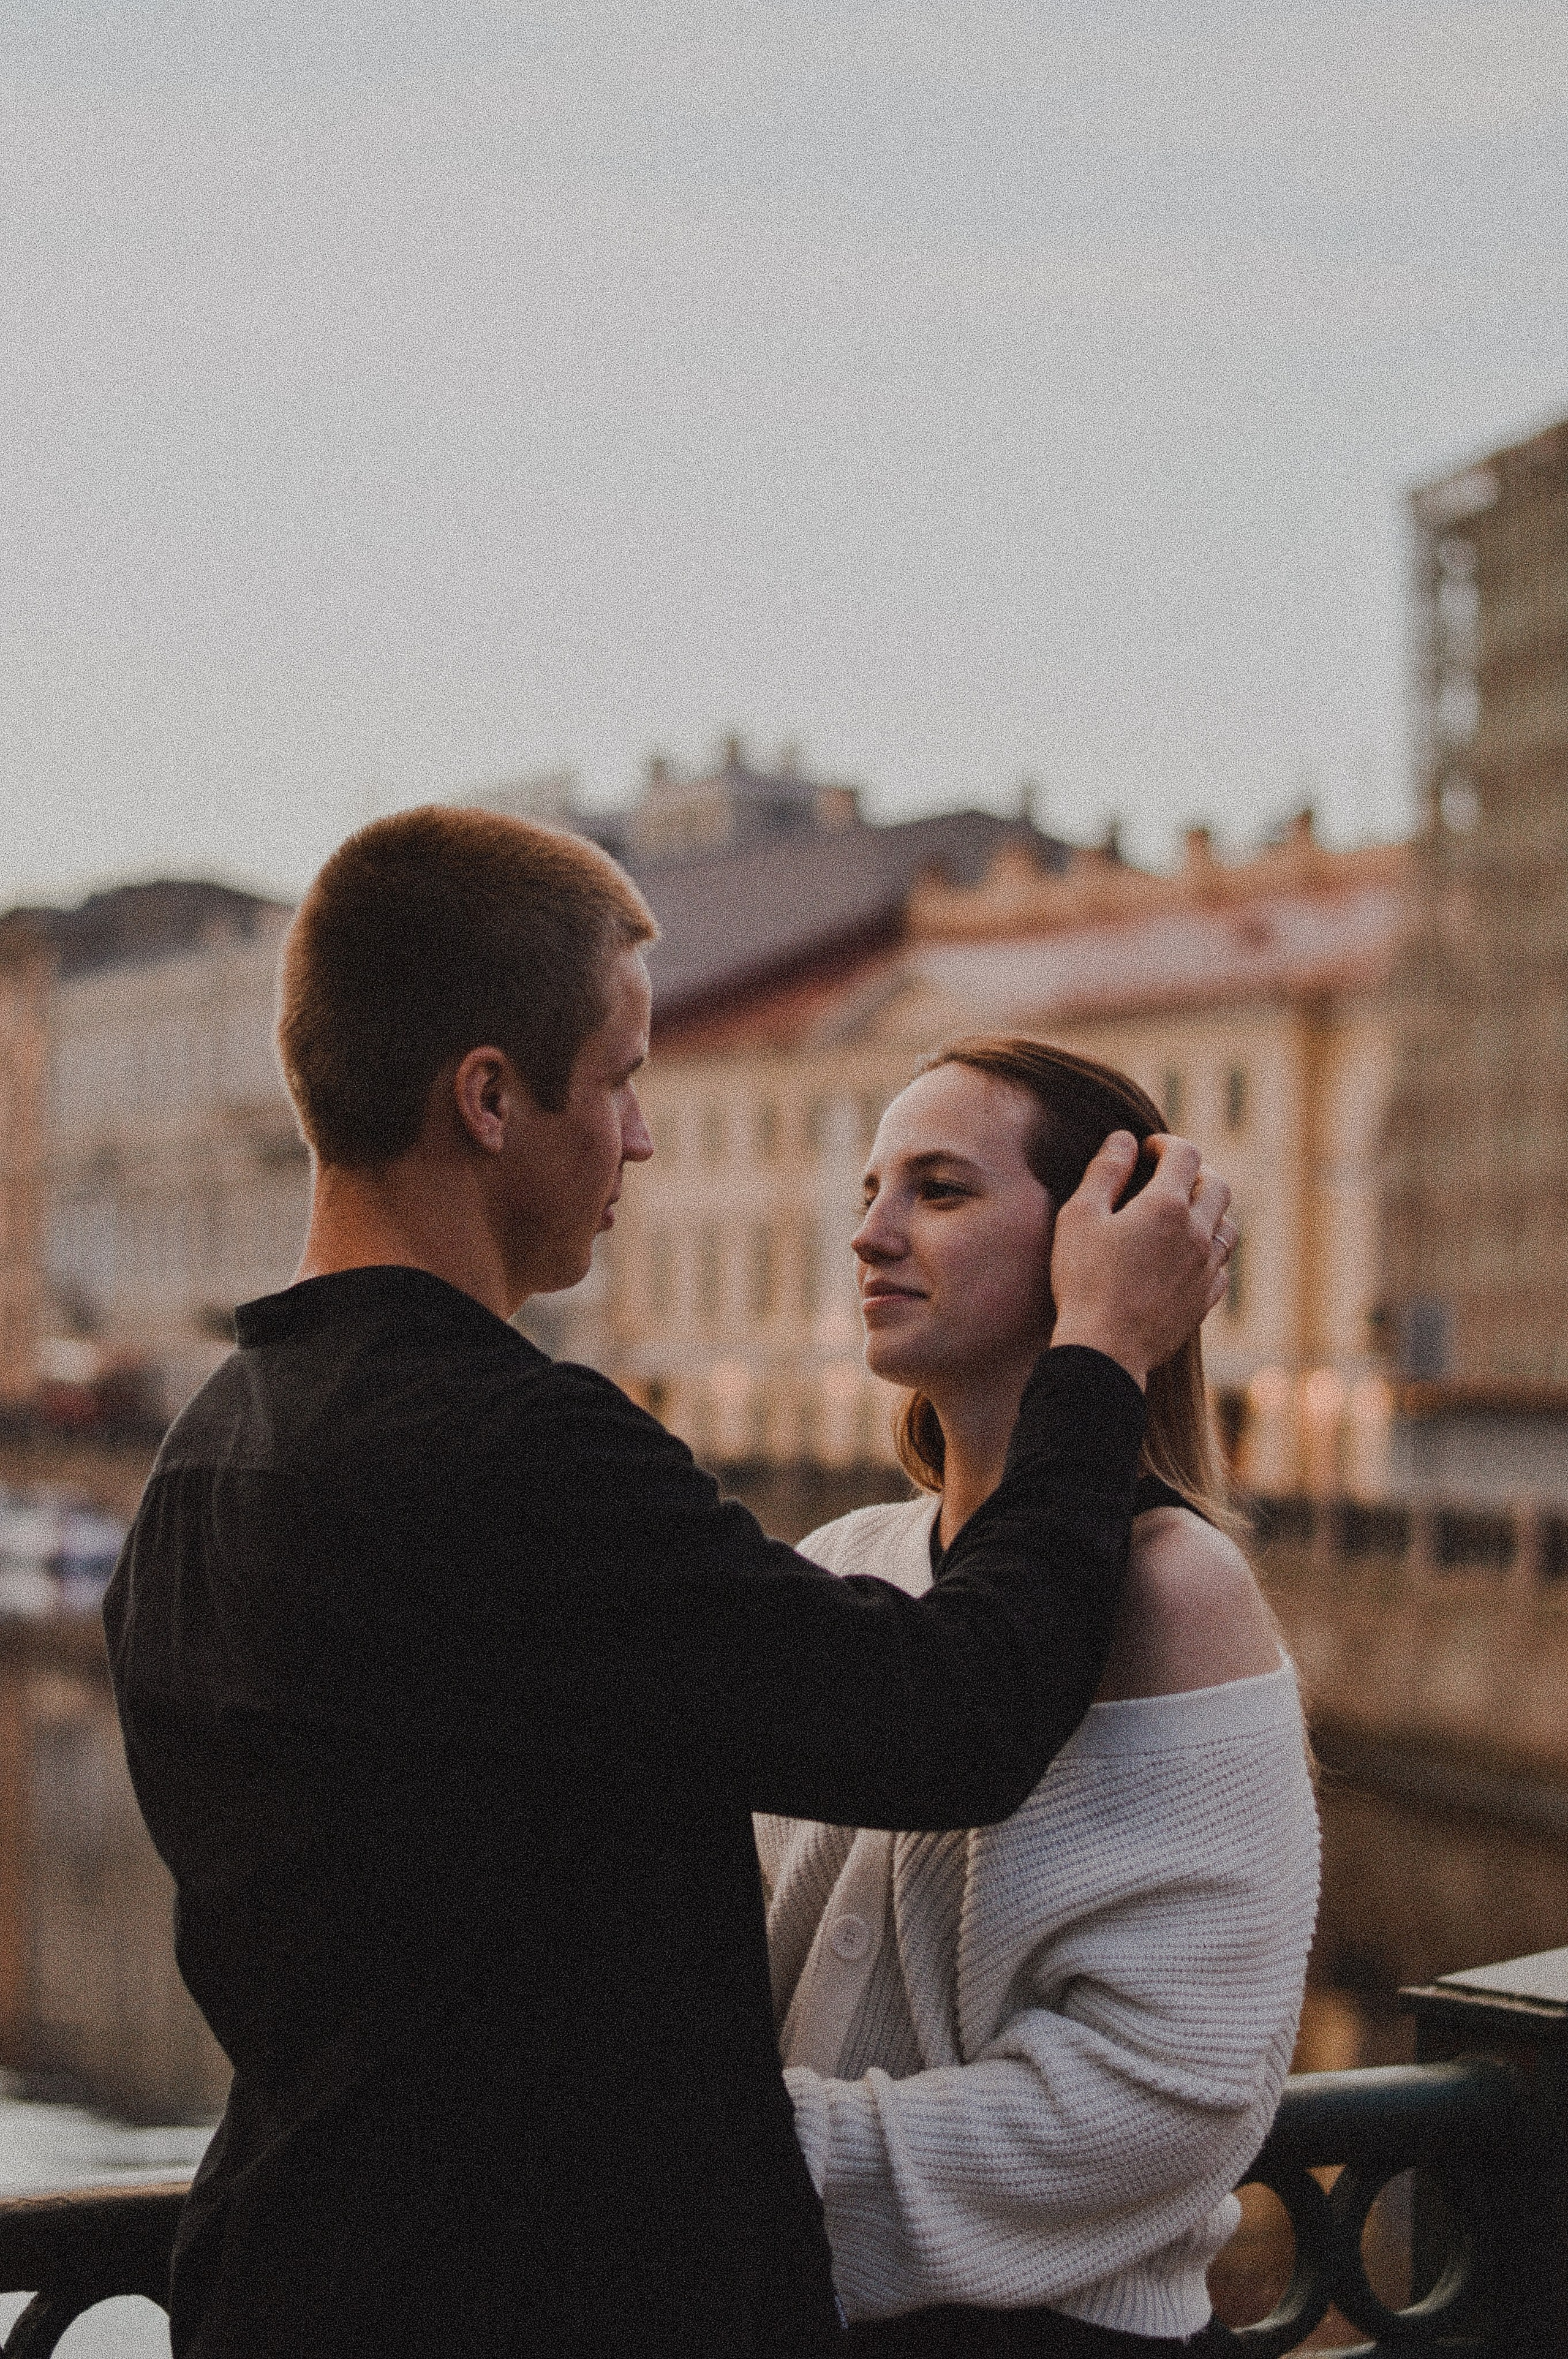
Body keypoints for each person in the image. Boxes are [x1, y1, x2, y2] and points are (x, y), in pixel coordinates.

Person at [103, 812, 1234, 2359]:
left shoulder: (206, 1456)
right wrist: (1099, 1358)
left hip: (286, 2279)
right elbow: (948, 1718)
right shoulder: (509, 1448)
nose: (641, 1135)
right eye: (623, 1079)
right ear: (489, 1099)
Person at [759, 1039, 1319, 2359]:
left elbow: (1170, 2095)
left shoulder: (1175, 1591)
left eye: (938, 1190)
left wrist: (756, 2158)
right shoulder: (846, 1563)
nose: (869, 1234)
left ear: (1091, 1247)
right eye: (869, 1189)